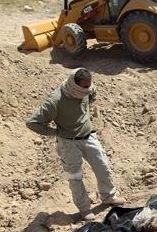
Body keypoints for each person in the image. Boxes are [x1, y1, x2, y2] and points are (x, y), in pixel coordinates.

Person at [26, 68, 126, 221]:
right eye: (84, 87)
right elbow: (33, 122)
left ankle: (109, 196)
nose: (88, 89)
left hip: (89, 137)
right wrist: (56, 133)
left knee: (103, 166)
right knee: (75, 177)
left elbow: (92, 94)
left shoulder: (87, 90)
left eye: (89, 85)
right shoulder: (55, 100)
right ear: (75, 85)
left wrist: (86, 111)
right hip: (69, 144)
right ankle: (84, 209)